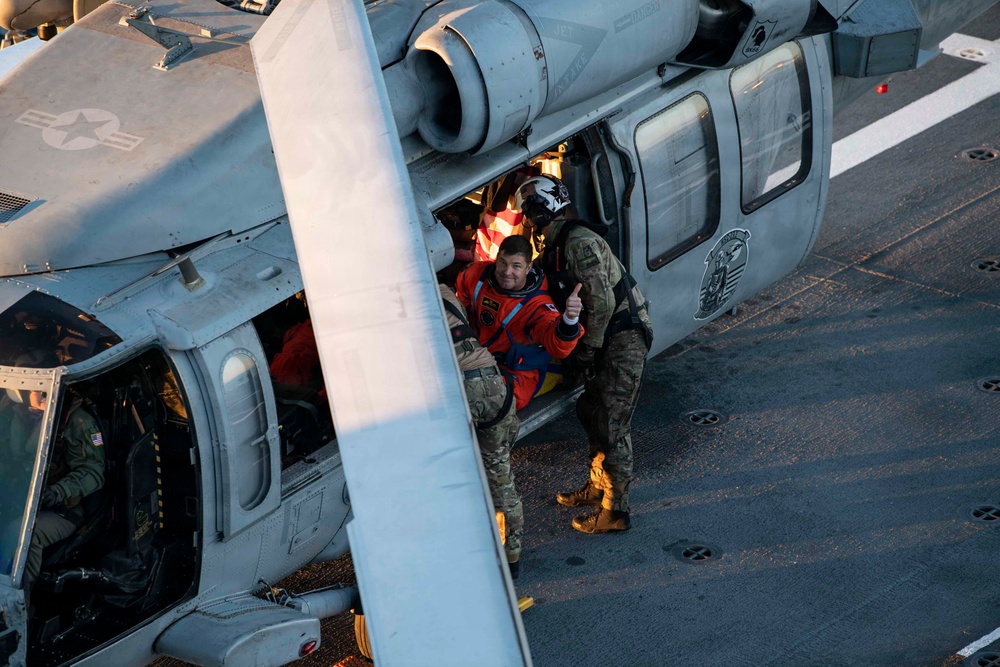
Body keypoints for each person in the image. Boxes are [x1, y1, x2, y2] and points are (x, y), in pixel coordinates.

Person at [515, 174, 653, 534]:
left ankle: (615, 511)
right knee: (590, 411)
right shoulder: (556, 244)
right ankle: (598, 486)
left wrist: (588, 349)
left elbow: (602, 304)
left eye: (529, 211)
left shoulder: (578, 244)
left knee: (612, 424)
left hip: (622, 336)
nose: (526, 219)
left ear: (544, 210)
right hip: (605, 335)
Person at [438, 284, 523, 577]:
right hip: (495, 383)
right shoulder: (444, 292)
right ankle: (510, 558)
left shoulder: (402, 307)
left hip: (461, 387)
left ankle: (457, 554)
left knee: (448, 476)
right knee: (501, 477)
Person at [455, 235, 584, 412]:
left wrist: (570, 319)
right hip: (472, 353)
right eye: (503, 263)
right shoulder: (476, 275)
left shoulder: (537, 306)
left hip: (512, 369)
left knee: (487, 401)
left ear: (528, 268)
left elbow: (557, 346)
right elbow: (458, 305)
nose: (507, 272)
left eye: (516, 266)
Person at [25, 387, 106, 606]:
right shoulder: (17, 411)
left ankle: (22, 604)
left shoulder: (78, 421)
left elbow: (94, 473)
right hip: (22, 499)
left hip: (62, 509)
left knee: (25, 536)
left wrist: (59, 491)